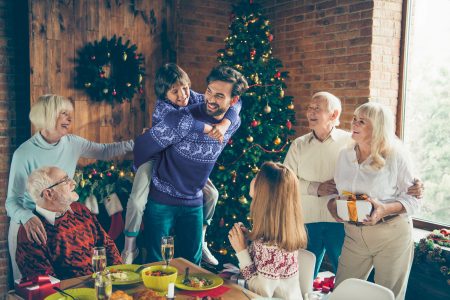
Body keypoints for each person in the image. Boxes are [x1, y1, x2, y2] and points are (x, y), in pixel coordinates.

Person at [284, 92, 424, 278]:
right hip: (325, 224)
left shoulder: (356, 143)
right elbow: (286, 180)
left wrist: (416, 185)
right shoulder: (316, 148)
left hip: (360, 227)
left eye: (317, 108)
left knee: (377, 289)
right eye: (310, 107)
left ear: (334, 115)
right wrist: (323, 194)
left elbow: (407, 186)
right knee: (319, 281)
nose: (311, 112)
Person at [122, 63, 241, 265]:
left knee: (212, 194)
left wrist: (225, 123)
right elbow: (180, 122)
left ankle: (202, 240)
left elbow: (238, 104)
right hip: (153, 155)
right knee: (137, 200)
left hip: (190, 191)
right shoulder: (164, 108)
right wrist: (210, 128)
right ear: (164, 93)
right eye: (174, 91)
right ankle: (128, 248)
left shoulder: (196, 98)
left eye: (184, 88)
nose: (182, 95)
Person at [6, 94, 133, 280]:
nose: (70, 119)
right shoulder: (24, 153)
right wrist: (27, 217)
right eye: (63, 114)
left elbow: (106, 151)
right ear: (48, 116)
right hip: (30, 226)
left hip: (62, 219)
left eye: (69, 114)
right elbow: (12, 201)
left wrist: (141, 142)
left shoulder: (72, 143)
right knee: (33, 289)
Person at [327, 102, 420, 300]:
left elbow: (414, 200)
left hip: (391, 236)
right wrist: (333, 205)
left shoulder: (397, 156)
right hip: (353, 234)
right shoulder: (344, 155)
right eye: (354, 119)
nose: (354, 124)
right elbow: (338, 191)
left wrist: (384, 209)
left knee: (388, 295)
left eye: (362, 121)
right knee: (342, 292)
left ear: (377, 128)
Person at [16, 166, 122, 280]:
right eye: (65, 181)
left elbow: (107, 245)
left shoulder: (80, 210)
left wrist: (120, 277)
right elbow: (46, 284)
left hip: (102, 285)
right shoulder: (31, 232)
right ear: (49, 194)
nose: (73, 183)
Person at [228, 162, 308, 300]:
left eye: (258, 177)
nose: (253, 179)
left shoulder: (271, 246)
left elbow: (260, 293)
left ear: (265, 193)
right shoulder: (275, 235)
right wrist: (250, 238)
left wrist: (242, 251)